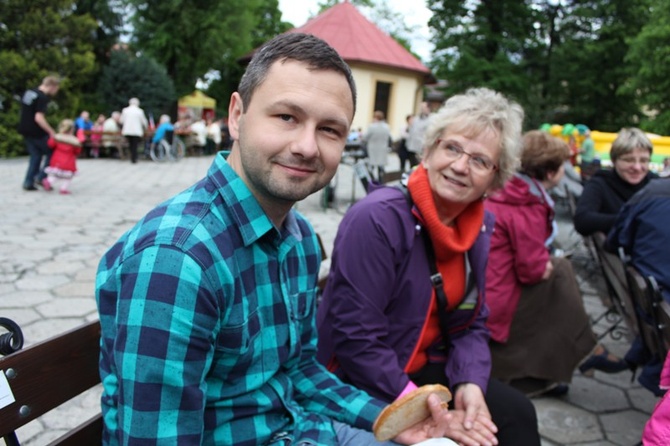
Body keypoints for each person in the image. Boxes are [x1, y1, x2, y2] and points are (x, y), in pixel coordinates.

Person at [96, 32, 457, 446]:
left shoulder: (298, 238)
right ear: (237, 115)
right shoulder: (176, 261)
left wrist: (393, 421)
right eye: (286, 117)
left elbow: (300, 370)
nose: (307, 146)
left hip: (302, 430)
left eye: (329, 129)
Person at [317, 87, 542, 446]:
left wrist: (470, 384)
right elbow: (354, 339)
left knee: (515, 416)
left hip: (424, 367)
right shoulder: (378, 218)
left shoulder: (480, 228)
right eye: (452, 147)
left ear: (494, 179)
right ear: (429, 149)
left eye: (480, 161)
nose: (460, 166)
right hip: (357, 379)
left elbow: (471, 324)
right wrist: (425, 407)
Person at [484, 130, 627, 397]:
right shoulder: (527, 203)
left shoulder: (513, 190)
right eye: (563, 166)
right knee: (559, 276)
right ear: (551, 173)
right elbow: (531, 270)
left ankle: (578, 355)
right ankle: (585, 350)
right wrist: (546, 265)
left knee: (561, 279)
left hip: (487, 285)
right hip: (493, 298)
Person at [574, 127, 657, 237]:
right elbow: (582, 220)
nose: (637, 167)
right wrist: (632, 220)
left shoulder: (655, 183)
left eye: (644, 161)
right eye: (629, 160)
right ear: (614, 160)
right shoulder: (600, 183)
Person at [18, 75, 60, 191]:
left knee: (35, 156)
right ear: (52, 86)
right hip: (36, 131)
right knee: (53, 151)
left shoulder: (29, 92)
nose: (55, 92)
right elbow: (39, 118)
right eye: (56, 89)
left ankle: (28, 182)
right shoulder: (42, 97)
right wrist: (52, 132)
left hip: (25, 129)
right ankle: (41, 177)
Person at [41, 119, 82, 195]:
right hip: (69, 162)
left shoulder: (57, 137)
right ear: (72, 129)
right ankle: (63, 188)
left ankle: (49, 181)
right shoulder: (74, 140)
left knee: (56, 174)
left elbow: (50, 144)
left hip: (56, 160)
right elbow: (77, 151)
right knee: (68, 177)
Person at [363, 110, 392, 182]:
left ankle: (371, 181)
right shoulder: (387, 126)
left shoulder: (372, 127)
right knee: (381, 166)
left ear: (376, 117)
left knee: (371, 166)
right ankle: (381, 181)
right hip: (383, 149)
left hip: (373, 149)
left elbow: (365, 137)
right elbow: (389, 137)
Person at [120, 97, 148, 164]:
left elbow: (121, 121)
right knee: (135, 145)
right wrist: (145, 127)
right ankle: (134, 158)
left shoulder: (125, 110)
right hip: (136, 131)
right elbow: (144, 121)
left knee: (130, 144)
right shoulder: (140, 111)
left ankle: (132, 157)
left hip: (127, 131)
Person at [405, 102, 431, 168]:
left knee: (420, 167)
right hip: (412, 147)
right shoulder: (416, 119)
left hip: (421, 148)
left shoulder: (431, 119)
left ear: (428, 108)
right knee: (412, 167)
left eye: (423, 107)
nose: (421, 109)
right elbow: (411, 131)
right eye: (421, 107)